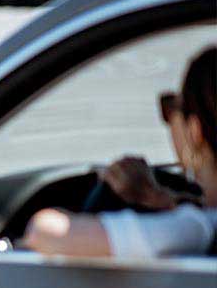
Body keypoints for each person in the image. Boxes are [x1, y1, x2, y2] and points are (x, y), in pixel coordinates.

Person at [24, 46, 217, 259]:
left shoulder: (195, 229)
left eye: (171, 108)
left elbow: (47, 234)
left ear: (194, 130)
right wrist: (159, 197)